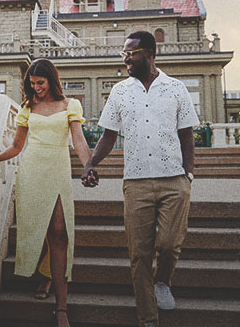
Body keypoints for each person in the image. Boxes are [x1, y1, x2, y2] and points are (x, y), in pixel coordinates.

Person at [81, 31, 199, 327]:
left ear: (148, 54)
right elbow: (108, 136)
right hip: (136, 183)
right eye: (124, 53)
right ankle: (148, 317)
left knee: (170, 244)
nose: (125, 58)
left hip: (174, 180)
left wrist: (189, 173)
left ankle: (163, 282)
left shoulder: (175, 88)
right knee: (139, 254)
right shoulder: (120, 92)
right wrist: (90, 164)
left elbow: (187, 134)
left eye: (130, 53)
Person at [0, 59, 91, 327]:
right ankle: (47, 274)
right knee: (39, 229)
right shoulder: (28, 108)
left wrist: (89, 166)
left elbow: (79, 139)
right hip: (32, 172)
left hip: (58, 172)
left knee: (60, 233)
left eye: (41, 82)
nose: (36, 88)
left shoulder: (70, 105)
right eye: (32, 83)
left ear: (52, 80)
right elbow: (16, 146)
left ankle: (61, 308)